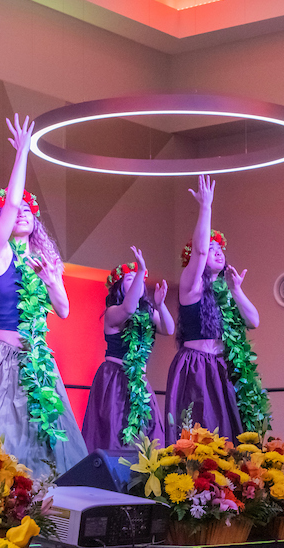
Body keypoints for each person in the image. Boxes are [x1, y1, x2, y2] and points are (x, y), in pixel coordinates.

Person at [0, 114, 87, 477]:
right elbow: (12, 204)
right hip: (3, 360)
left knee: (47, 441)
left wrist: (52, 281)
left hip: (39, 360)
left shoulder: (44, 261)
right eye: (17, 212)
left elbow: (63, 310)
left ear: (36, 224)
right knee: (5, 443)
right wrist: (22, 154)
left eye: (31, 213)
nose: (22, 215)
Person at [165, 175, 266, 443]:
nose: (218, 252)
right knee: (199, 434)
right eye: (212, 248)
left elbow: (253, 320)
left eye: (221, 248)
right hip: (196, 368)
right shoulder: (191, 284)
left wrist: (236, 289)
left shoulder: (225, 292)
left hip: (222, 368)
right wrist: (205, 207)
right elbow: (198, 252)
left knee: (229, 435)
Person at [81, 247, 174, 453]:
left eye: (139, 279)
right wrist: (141, 270)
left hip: (139, 380)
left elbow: (169, 329)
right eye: (130, 280)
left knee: (148, 433)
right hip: (114, 378)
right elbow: (128, 309)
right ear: (119, 289)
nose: (138, 282)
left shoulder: (147, 314)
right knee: (115, 432)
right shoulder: (113, 312)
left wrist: (160, 305)